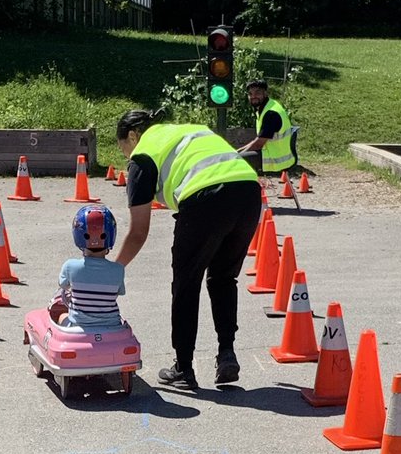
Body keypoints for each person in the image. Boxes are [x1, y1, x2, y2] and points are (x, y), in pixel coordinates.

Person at [114, 109, 262, 388]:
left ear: (132, 136)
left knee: (186, 282)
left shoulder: (143, 155)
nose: (125, 156)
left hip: (205, 197)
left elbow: (138, 232)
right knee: (223, 278)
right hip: (248, 191)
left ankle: (184, 368)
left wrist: (113, 269)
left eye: (122, 147)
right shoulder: (187, 130)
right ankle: (226, 353)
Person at [49, 205, 126, 331]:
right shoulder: (118, 269)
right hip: (112, 326)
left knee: (62, 316)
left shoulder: (70, 266)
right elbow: (120, 291)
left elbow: (63, 285)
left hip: (79, 326)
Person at [238, 79, 295, 176]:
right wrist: (236, 152)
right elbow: (257, 141)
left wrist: (236, 156)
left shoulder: (270, 114)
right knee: (237, 157)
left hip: (275, 160)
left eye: (257, 93)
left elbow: (258, 144)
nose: (253, 96)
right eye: (250, 94)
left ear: (265, 93)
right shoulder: (268, 106)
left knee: (236, 163)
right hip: (271, 154)